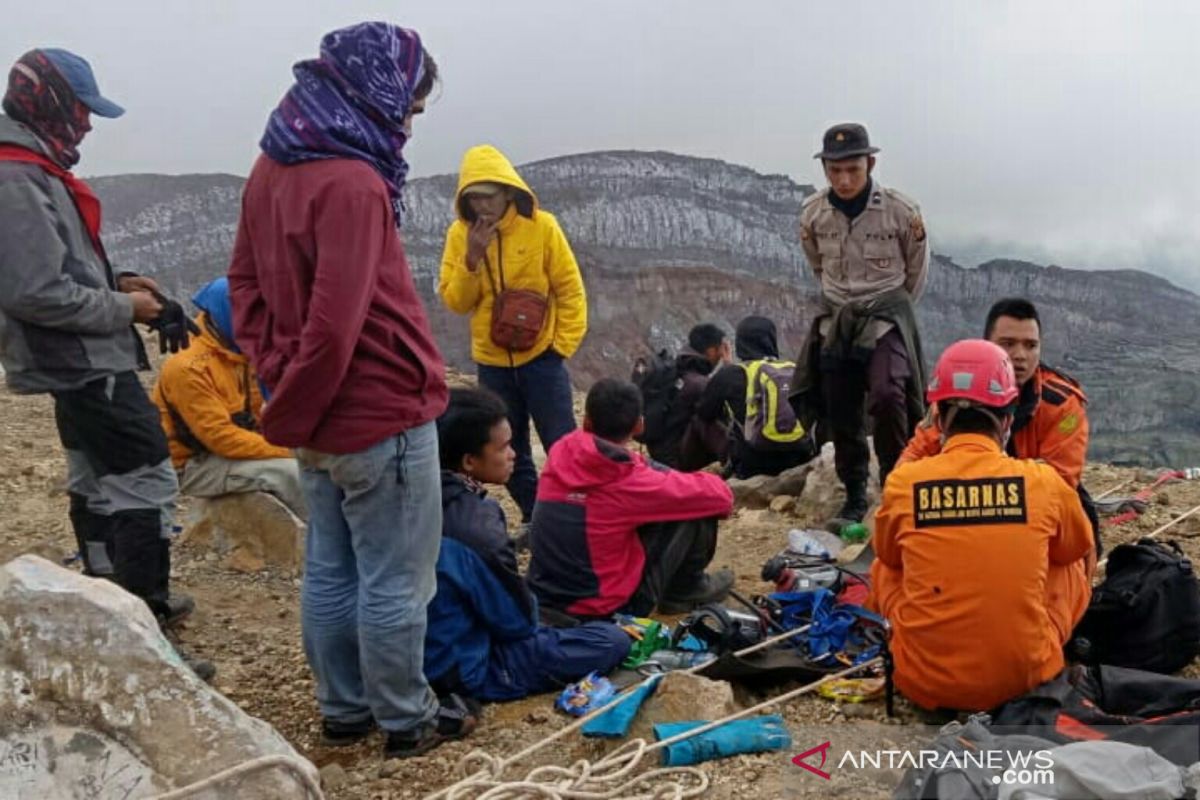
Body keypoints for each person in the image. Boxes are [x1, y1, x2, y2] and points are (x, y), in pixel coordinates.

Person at [227, 23, 471, 759]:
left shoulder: (272, 166)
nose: (408, 120)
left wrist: (279, 378)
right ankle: (406, 720)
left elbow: (243, 284)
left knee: (331, 567)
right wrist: (297, 398)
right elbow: (338, 326)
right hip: (378, 409)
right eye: (409, 105)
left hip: (312, 415)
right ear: (378, 90)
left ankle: (343, 710)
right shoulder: (354, 183)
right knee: (398, 576)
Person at [0, 49, 194, 628]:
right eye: (82, 109)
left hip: (73, 357)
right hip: (79, 357)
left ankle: (106, 600)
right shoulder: (18, 176)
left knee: (95, 477)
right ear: (52, 100)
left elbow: (50, 271)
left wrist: (118, 282)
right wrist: (123, 306)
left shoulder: (34, 166)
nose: (86, 123)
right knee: (144, 480)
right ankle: (143, 620)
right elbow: (33, 293)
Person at [870, 340, 1095, 713]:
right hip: (1026, 679)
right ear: (1007, 419)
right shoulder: (1042, 481)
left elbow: (891, 558)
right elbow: (1075, 549)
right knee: (1072, 555)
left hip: (922, 682)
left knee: (884, 566)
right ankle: (1039, 646)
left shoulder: (904, 482)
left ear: (939, 418)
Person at [428, 388, 630, 703]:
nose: (514, 455)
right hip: (466, 669)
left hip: (415, 658)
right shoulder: (476, 527)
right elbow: (517, 625)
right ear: (469, 461)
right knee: (610, 640)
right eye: (504, 447)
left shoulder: (409, 502)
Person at [438, 144, 587, 526]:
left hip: (542, 356)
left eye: (488, 197)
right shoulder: (459, 234)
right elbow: (456, 301)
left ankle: (574, 518)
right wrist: (472, 258)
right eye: (473, 200)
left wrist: (560, 347)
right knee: (510, 446)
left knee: (561, 443)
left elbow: (570, 289)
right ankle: (538, 520)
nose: (481, 207)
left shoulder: (542, 227)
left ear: (508, 191)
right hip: (492, 360)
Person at [790, 123, 929, 522]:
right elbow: (818, 264)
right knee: (840, 402)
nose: (844, 179)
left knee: (888, 394)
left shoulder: (901, 211)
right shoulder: (813, 213)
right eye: (835, 171)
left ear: (870, 163)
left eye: (852, 169)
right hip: (837, 315)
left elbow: (915, 271)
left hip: (885, 313)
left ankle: (894, 481)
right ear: (825, 171)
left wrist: (891, 308)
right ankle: (853, 492)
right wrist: (842, 303)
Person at [528, 379, 735, 619]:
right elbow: (721, 497)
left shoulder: (563, 451)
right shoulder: (628, 480)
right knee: (696, 503)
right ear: (639, 426)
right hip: (603, 608)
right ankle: (685, 591)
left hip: (545, 597)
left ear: (586, 421)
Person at [152, 277, 305, 518]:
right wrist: (285, 450)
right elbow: (219, 437)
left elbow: (257, 410)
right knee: (290, 473)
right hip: (194, 465)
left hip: (227, 449)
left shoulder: (237, 352)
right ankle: (323, 540)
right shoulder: (189, 367)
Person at [695, 316, 815, 478]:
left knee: (703, 420)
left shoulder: (730, 374)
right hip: (799, 459)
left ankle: (699, 468)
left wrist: (725, 370)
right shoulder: (793, 370)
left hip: (753, 465)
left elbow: (705, 411)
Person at [637, 322, 730, 470]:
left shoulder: (677, 372)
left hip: (659, 452)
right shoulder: (698, 384)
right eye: (721, 349)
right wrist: (728, 368)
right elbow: (727, 404)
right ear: (712, 351)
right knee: (707, 417)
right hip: (676, 459)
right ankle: (734, 462)